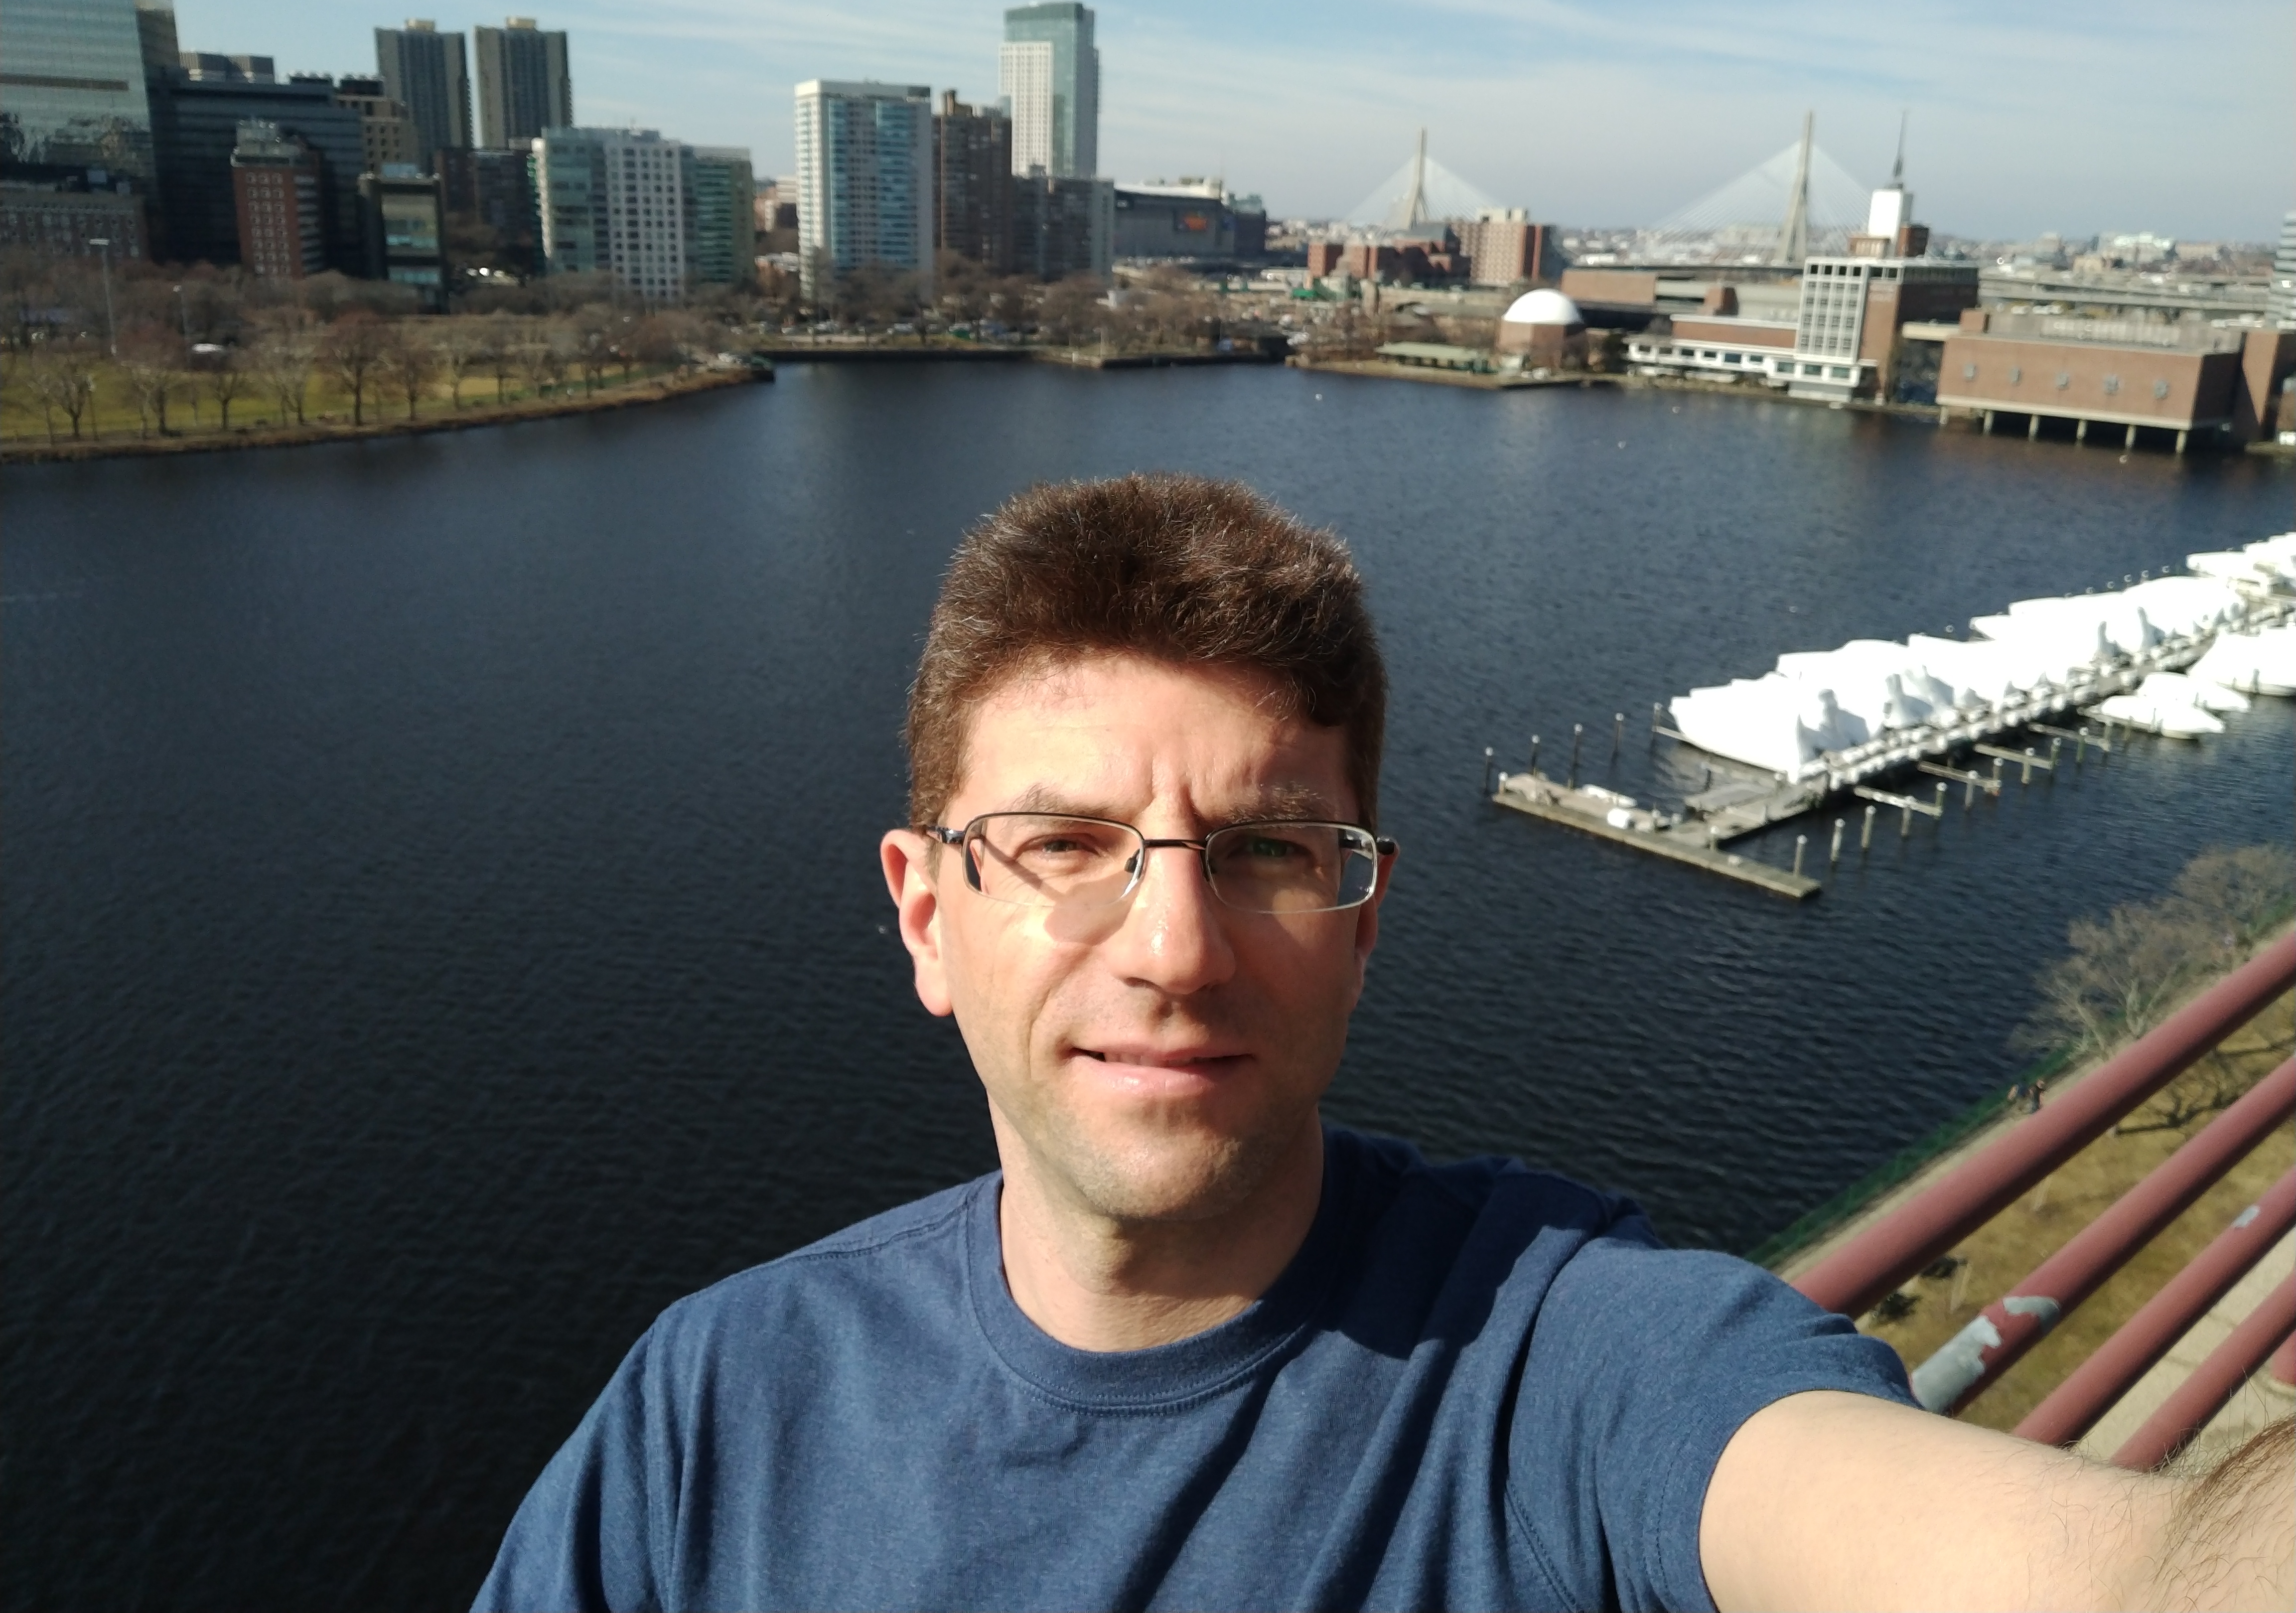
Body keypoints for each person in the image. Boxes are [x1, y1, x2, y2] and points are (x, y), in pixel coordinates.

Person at [476, 475, 2292, 1612]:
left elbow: (2116, 1578)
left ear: (1364, 919)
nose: (1174, 949)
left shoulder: (1567, 1366)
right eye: (1066, 844)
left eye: (1272, 851)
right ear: (926, 910)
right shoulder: (716, 1406)